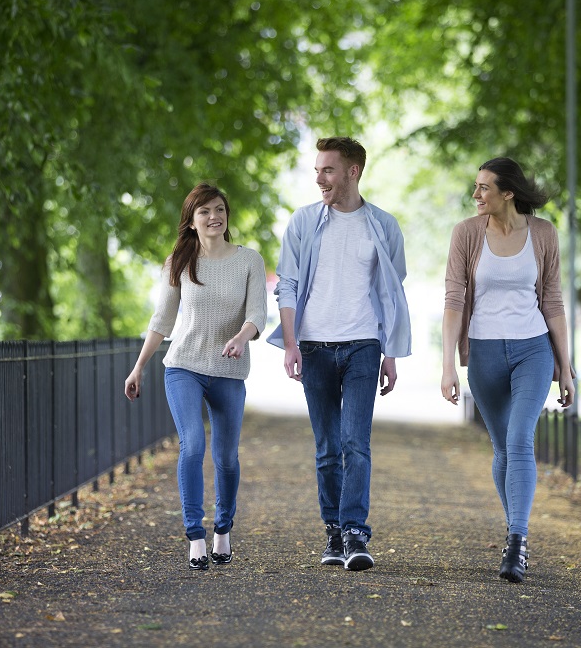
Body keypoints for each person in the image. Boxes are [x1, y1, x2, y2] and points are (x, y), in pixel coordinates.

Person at [268, 136, 411, 572]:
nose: (319, 178)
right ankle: (332, 530)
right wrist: (291, 344)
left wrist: (389, 352)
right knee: (328, 446)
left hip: (364, 344)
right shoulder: (305, 222)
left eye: (327, 170)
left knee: (356, 442)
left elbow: (391, 290)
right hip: (313, 346)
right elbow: (287, 285)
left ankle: (355, 532)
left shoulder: (383, 225)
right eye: (316, 170)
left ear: (353, 171)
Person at [440, 157, 574, 583]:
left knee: (519, 442)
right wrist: (448, 365)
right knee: (502, 450)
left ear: (508, 192)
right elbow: (453, 301)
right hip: (482, 353)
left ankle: (517, 542)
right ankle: (515, 524)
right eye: (475, 187)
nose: (476, 195)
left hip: (533, 350)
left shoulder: (544, 234)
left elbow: (552, 301)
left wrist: (565, 368)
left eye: (484, 188)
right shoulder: (466, 233)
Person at [125, 183, 267, 571]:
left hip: (228, 371)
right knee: (191, 446)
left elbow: (258, 313)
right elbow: (162, 320)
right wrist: (139, 366)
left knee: (226, 457)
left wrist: (241, 337)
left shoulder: (249, 260)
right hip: (184, 366)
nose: (214, 216)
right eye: (204, 211)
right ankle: (195, 536)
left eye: (219, 209)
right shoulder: (179, 262)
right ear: (191, 221)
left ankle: (223, 529)